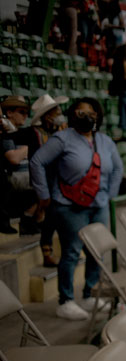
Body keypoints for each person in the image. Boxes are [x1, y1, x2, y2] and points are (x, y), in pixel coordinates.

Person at [30, 98, 123, 321]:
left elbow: (118, 167)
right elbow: (37, 162)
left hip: (98, 204)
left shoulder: (104, 140)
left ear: (98, 116)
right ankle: (66, 301)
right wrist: (43, 195)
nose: (86, 117)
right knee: (71, 251)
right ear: (72, 116)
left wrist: (109, 195)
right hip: (70, 206)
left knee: (96, 251)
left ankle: (90, 293)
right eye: (80, 113)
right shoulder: (62, 139)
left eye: (91, 113)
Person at [11, 94, 70, 266]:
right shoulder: (33, 133)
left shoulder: (57, 133)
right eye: (56, 112)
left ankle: (33, 217)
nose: (59, 115)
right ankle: (33, 221)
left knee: (52, 212)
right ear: (47, 116)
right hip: (39, 178)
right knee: (49, 209)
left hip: (54, 179)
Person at [1, 96, 40, 235]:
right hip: (15, 177)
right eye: (21, 112)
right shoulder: (7, 134)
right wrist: (33, 145)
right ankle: (28, 218)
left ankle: (31, 219)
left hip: (26, 174)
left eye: (26, 113)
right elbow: (14, 158)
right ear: (10, 113)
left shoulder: (23, 133)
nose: (25, 116)